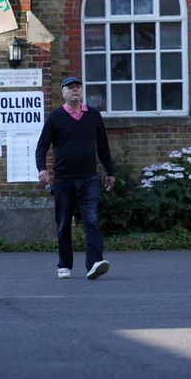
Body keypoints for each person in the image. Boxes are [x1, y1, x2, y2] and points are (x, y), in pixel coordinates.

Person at [35, 76, 115, 280]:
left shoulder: (94, 116)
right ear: (63, 93)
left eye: (78, 87)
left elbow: (103, 146)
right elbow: (42, 145)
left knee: (91, 220)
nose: (75, 90)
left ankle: (94, 263)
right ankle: (64, 264)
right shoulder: (56, 117)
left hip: (89, 179)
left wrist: (110, 171)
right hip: (63, 180)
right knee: (63, 223)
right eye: (70, 88)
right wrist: (42, 168)